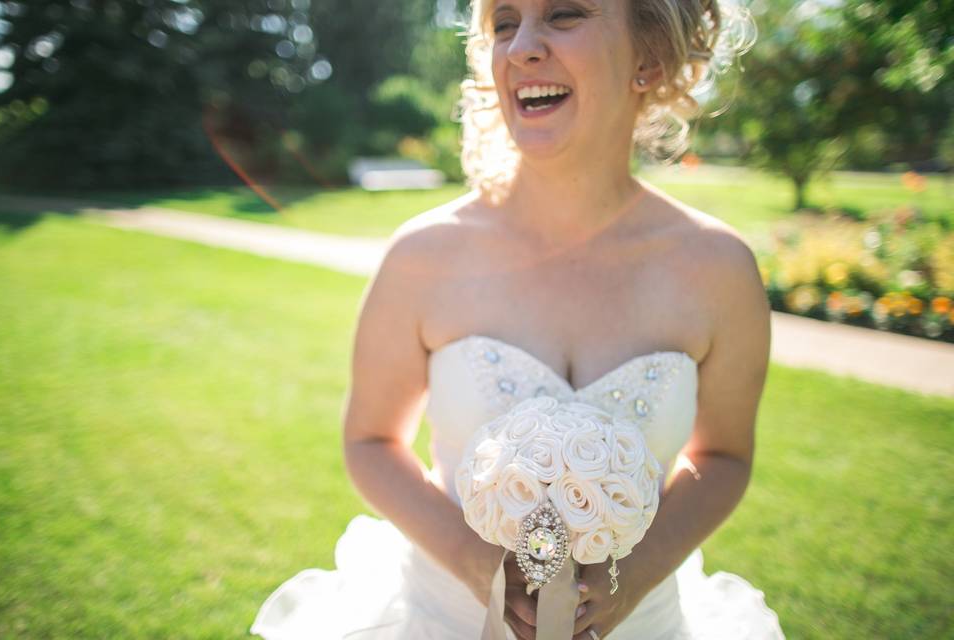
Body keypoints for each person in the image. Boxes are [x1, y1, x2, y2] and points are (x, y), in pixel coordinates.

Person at [251, 0, 786, 638]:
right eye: (505, 22)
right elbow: (370, 442)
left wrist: (631, 577)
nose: (521, 47)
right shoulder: (423, 255)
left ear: (648, 59)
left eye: (563, 14)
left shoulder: (718, 268)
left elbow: (723, 455)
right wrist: (477, 566)